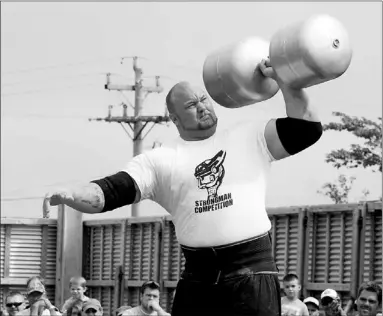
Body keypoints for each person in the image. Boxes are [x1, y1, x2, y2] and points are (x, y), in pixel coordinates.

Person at [43, 58, 323, 316]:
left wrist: (286, 78)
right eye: (191, 105)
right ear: (174, 119)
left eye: (203, 99)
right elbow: (109, 191)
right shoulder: (160, 160)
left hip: (253, 273)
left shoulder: (249, 136)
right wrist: (70, 193)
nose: (202, 106)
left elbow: (307, 128)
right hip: (198, 277)